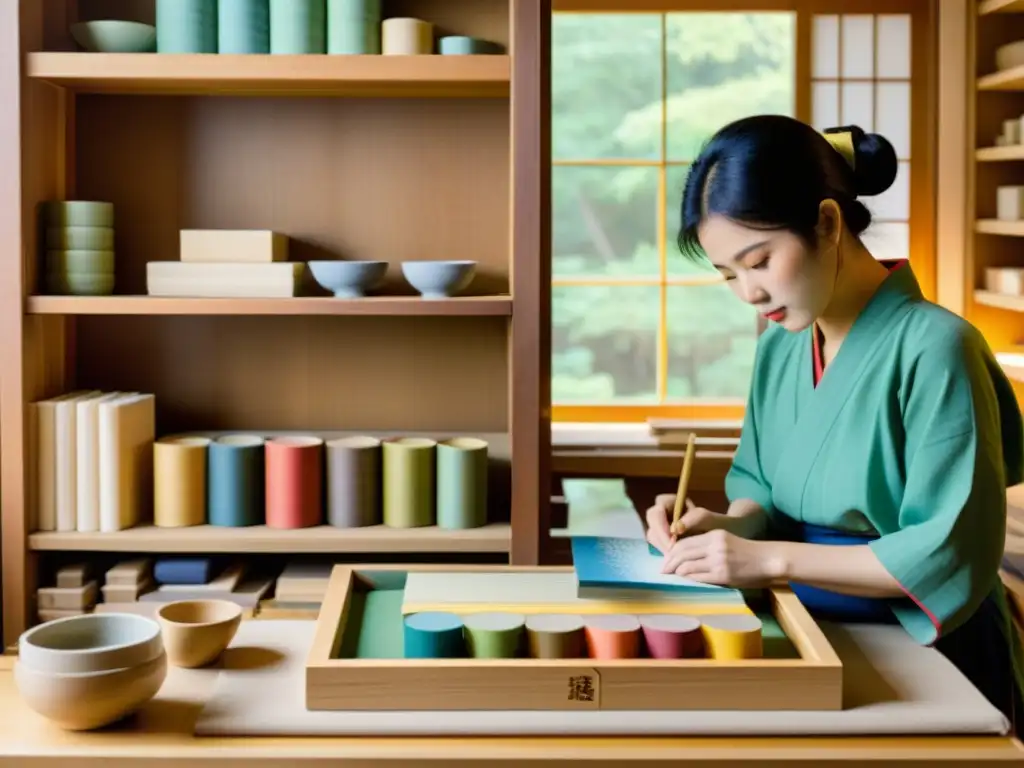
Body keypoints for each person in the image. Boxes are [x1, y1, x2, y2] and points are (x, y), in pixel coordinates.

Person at [645, 114, 1024, 733]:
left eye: (760, 260)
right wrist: (723, 526)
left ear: (827, 222)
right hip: (809, 624)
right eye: (728, 275)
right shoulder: (781, 346)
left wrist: (766, 560)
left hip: (924, 648)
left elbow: (945, 550)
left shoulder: (939, 347)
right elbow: (761, 488)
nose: (749, 293)